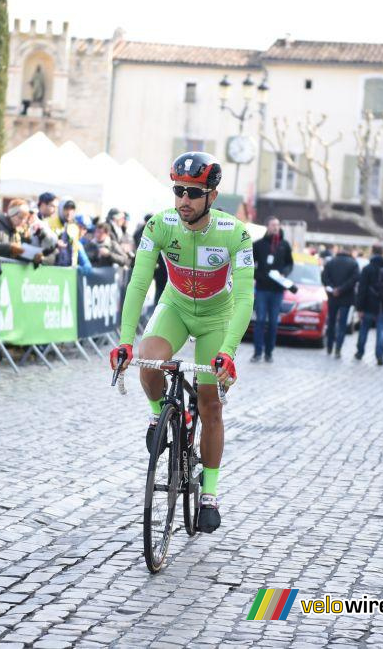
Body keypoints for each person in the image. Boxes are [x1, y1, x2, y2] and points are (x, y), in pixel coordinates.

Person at [110, 151, 254, 534]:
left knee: (210, 405)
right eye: (178, 190)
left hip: (216, 318)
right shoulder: (160, 225)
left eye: (192, 192)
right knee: (148, 359)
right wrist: (125, 340)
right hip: (174, 306)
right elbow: (139, 283)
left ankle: (209, 494)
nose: (184, 200)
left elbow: (245, 299)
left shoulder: (234, 233)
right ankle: (161, 413)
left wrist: (227, 352)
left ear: (212, 195)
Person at [251, 216, 294, 363]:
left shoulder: (284, 245)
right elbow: (250, 264)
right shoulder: (258, 245)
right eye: (273, 225)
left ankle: (269, 353)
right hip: (262, 289)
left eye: (278, 224)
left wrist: (284, 274)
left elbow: (290, 264)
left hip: (277, 290)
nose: (276, 227)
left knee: (274, 323)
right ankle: (257, 352)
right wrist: (260, 276)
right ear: (267, 227)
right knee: (260, 320)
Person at [353, 244, 383, 365]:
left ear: (372, 252)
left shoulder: (367, 269)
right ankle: (380, 356)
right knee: (381, 331)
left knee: (364, 329)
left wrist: (359, 307)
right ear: (382, 253)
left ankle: (360, 352)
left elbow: (362, 289)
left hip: (368, 305)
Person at [321, 246, 359, 357]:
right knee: (342, 324)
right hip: (346, 297)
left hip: (333, 297)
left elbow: (324, 277)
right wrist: (341, 289)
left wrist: (333, 288)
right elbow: (355, 279)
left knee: (331, 322)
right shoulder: (353, 263)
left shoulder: (331, 262)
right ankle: (338, 348)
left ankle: (329, 346)